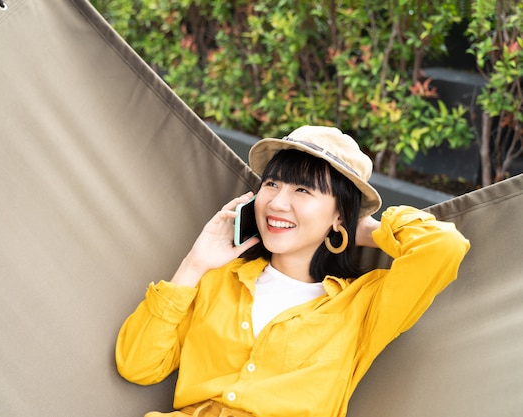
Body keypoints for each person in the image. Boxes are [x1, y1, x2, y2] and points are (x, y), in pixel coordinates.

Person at [116, 125, 470, 417]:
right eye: (272, 184)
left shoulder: (360, 307)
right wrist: (194, 265)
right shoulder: (218, 278)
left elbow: (443, 246)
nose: (277, 202)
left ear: (339, 214)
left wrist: (362, 229)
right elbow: (138, 365)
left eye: (302, 189)